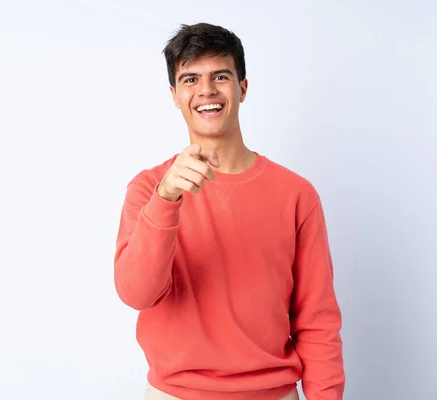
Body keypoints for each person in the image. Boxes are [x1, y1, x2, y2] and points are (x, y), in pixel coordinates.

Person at [114, 22, 345, 400]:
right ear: (174, 94)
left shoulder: (296, 194)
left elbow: (317, 322)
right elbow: (136, 293)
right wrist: (166, 200)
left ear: (243, 87)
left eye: (220, 76)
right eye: (190, 79)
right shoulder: (149, 189)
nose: (206, 90)